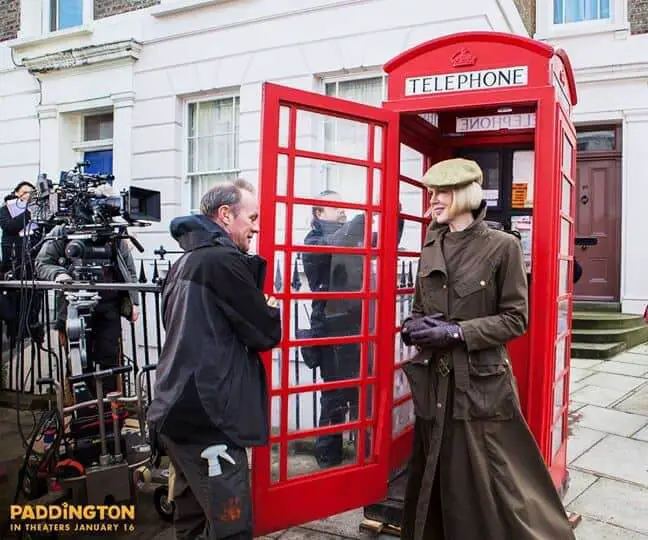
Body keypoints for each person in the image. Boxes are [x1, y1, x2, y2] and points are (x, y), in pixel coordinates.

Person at [400, 158, 574, 540]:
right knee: (435, 472)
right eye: (431, 192)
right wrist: (412, 328)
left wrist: (457, 333)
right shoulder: (432, 242)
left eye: (442, 192)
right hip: (434, 385)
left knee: (487, 477)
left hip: (479, 386)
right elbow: (417, 306)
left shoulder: (502, 247)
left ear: (464, 194)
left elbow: (516, 319)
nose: (434, 200)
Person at [147, 179, 281, 540]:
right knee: (231, 526)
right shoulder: (222, 261)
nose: (256, 226)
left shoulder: (185, 261)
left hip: (175, 411)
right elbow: (266, 333)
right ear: (225, 215)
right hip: (209, 421)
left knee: (190, 522)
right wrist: (268, 307)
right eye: (251, 217)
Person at [34, 187, 140, 395]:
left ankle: (109, 413)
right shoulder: (63, 231)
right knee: (77, 362)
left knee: (109, 358)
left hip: (109, 306)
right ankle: (80, 412)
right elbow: (42, 263)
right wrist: (59, 275)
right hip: (74, 306)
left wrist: (133, 301)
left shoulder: (113, 233)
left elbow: (129, 270)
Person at [0, 181, 45, 342]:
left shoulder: (37, 210)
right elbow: (9, 226)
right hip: (13, 263)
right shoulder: (6, 209)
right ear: (17, 193)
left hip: (31, 262)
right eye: (26, 192)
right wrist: (28, 214)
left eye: (32, 193)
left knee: (33, 301)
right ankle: (15, 336)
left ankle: (32, 332)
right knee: (15, 302)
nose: (29, 196)